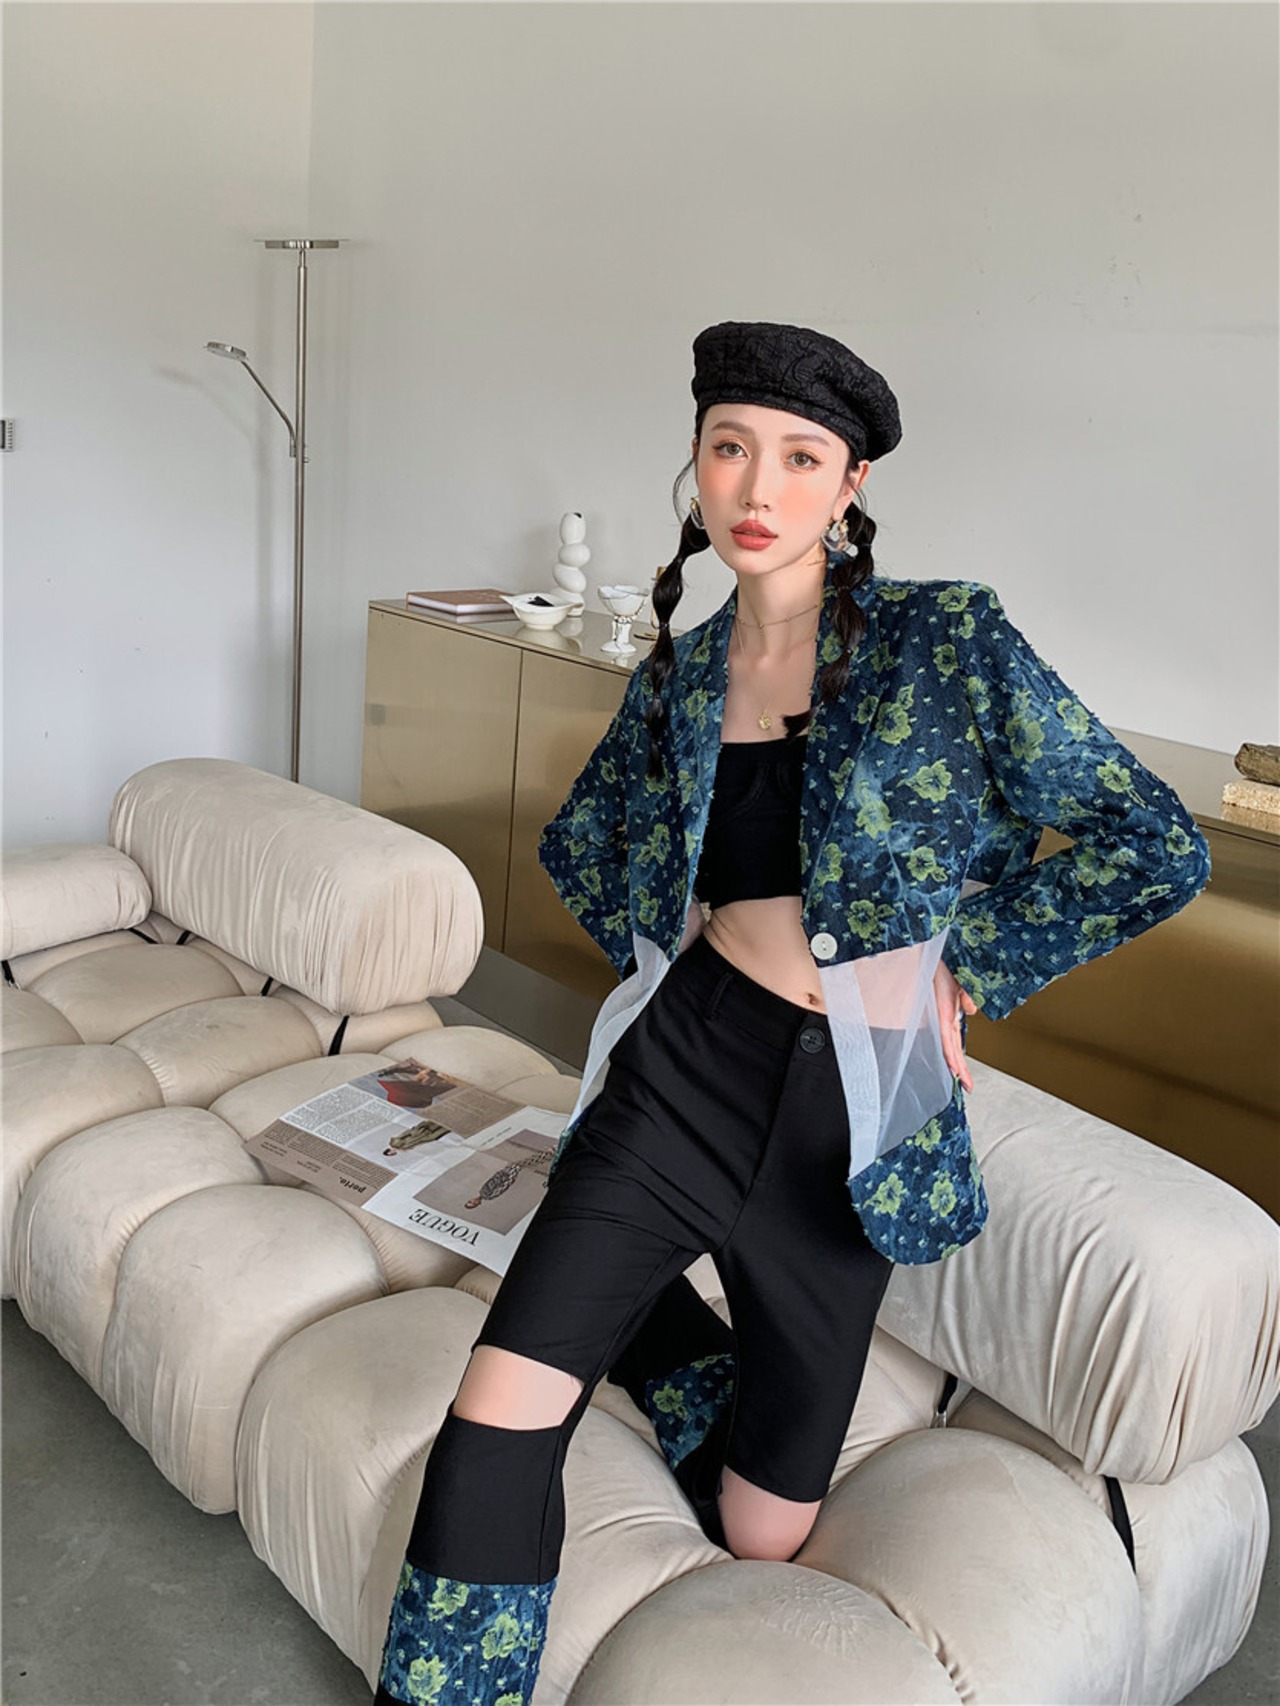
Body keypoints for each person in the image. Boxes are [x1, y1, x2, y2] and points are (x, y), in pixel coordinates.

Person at [374, 322, 1211, 1706]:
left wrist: (963, 968)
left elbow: (1154, 843)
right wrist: (674, 948)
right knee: (494, 1421)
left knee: (760, 1530)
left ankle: (655, 1331)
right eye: (730, 447)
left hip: (855, 1118)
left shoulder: (947, 641)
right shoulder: (680, 678)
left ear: (851, 484)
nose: (758, 485)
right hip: (685, 1070)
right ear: (697, 467)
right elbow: (584, 843)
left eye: (801, 457)